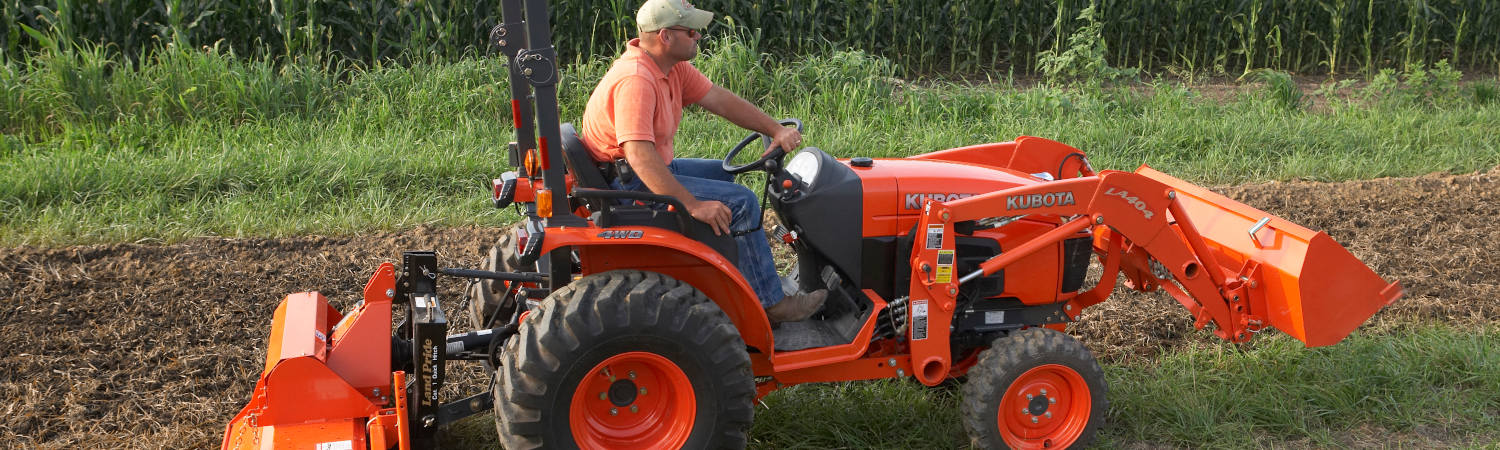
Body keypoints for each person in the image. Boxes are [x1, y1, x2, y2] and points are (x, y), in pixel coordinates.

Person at [580, 0, 826, 323]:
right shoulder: (637, 80)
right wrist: (692, 204)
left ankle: (729, 280)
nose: (698, 37)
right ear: (665, 36)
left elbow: (720, 100)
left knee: (724, 175)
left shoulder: (669, 67)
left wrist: (775, 129)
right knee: (744, 203)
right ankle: (771, 305)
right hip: (630, 185)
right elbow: (639, 156)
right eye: (692, 31)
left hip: (646, 169)